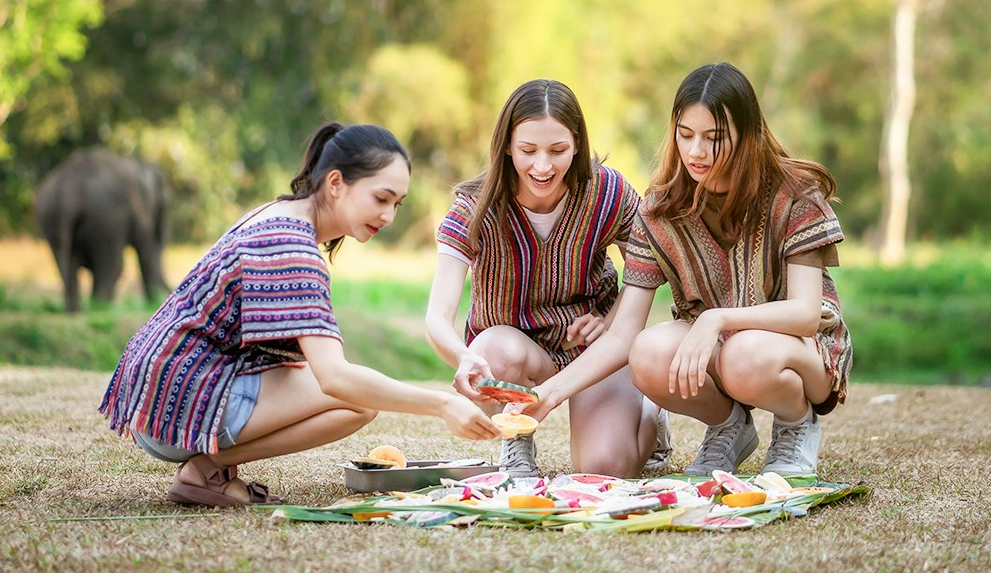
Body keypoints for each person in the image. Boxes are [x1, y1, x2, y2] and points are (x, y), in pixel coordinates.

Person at [100, 123, 500, 507]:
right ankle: (207, 469)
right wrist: (442, 405)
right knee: (357, 402)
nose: (389, 217)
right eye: (381, 199)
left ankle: (210, 468)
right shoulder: (292, 248)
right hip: (180, 402)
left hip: (160, 390)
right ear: (336, 183)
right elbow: (335, 377)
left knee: (340, 386)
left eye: (397, 203)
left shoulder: (279, 214)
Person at [520, 62, 852, 478]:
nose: (696, 152)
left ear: (747, 135)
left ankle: (795, 423)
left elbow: (806, 314)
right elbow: (623, 334)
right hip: (716, 346)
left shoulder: (793, 193)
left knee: (744, 354)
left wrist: (717, 318)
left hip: (800, 351)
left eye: (715, 138)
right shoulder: (661, 210)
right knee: (646, 352)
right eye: (686, 134)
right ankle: (729, 427)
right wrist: (549, 393)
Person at [424, 79, 670, 478]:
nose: (542, 166)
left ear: (577, 143)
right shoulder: (474, 207)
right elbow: (437, 316)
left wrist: (607, 323)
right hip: (516, 352)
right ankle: (515, 440)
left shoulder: (608, 193)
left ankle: (649, 413)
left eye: (557, 151)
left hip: (593, 352)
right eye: (528, 151)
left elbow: (643, 280)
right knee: (495, 353)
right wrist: (463, 357)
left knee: (605, 468)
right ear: (507, 146)